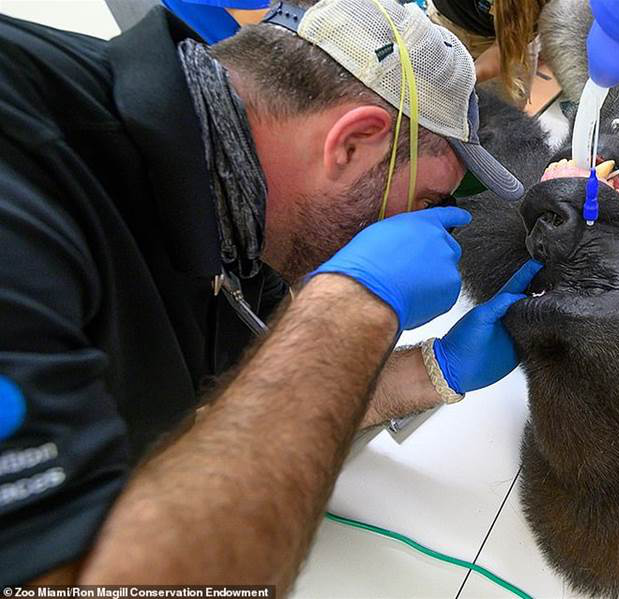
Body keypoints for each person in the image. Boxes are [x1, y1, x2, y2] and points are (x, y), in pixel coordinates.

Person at [0, 0, 540, 587]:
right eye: (432, 201)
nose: (436, 224)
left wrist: (428, 372)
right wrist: (351, 304)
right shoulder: (27, 192)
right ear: (353, 142)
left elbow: (234, 406)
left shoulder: (251, 217)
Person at [425, 0, 550, 107]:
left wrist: (463, 79)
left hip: (508, 41)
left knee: (499, 120)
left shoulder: (527, 6)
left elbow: (502, 50)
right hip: (445, 21)